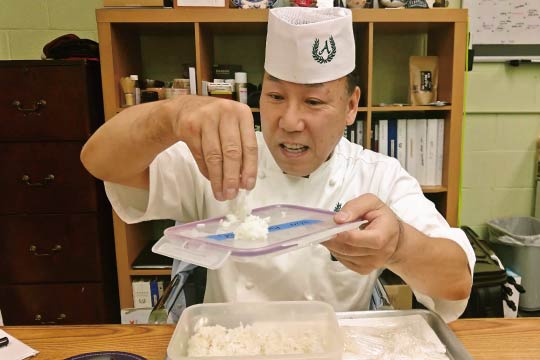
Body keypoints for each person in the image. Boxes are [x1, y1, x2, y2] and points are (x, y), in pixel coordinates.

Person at [81, 7, 474, 322]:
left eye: (314, 102)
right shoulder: (219, 156)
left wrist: (399, 246)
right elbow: (100, 161)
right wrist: (171, 115)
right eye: (274, 97)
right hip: (230, 349)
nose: (289, 121)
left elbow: (456, 282)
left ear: (352, 105)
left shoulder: (377, 174)